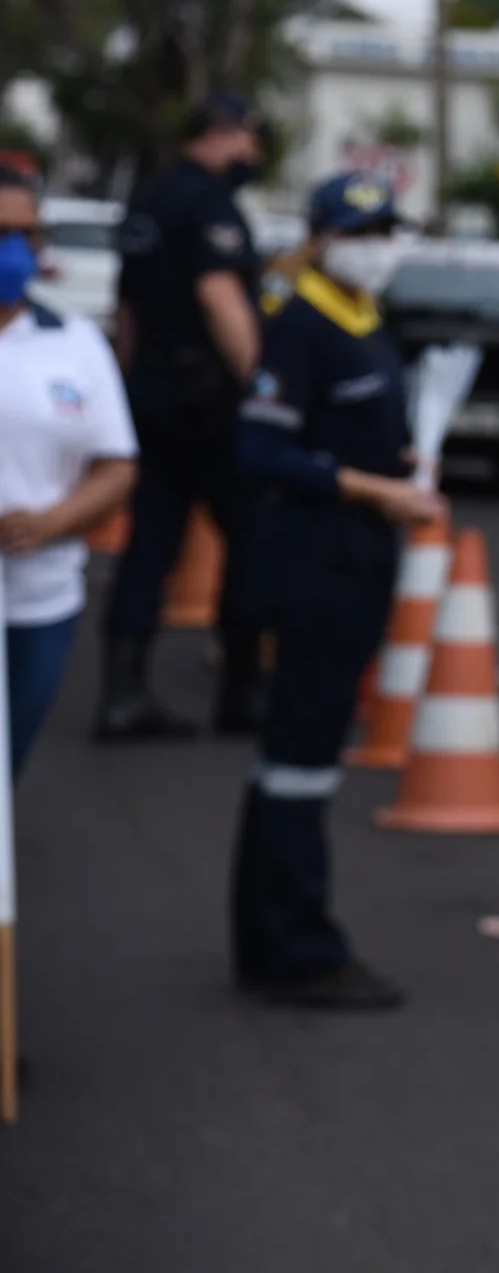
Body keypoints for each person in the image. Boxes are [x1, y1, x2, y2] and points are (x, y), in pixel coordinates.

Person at [230, 174, 444, 1011]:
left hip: (359, 557)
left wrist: (405, 478)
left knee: (307, 754)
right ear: (320, 237)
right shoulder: (301, 328)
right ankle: (295, 942)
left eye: (389, 227)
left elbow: (367, 435)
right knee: (299, 759)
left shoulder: (367, 323)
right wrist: (368, 488)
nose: (379, 243)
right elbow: (263, 450)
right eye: (363, 229)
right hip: (315, 560)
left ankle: (272, 933)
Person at [95, 93, 271, 740]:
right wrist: (264, 386)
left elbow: (129, 313)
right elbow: (220, 295)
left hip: (150, 393)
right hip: (210, 402)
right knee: (251, 534)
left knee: (150, 543)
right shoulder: (209, 203)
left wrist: (125, 386)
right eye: (249, 141)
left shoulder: (148, 200)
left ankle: (123, 693)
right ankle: (243, 692)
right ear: (224, 135)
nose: (253, 155)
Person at [0, 168, 138, 781]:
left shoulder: (76, 343)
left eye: (24, 234)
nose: (12, 250)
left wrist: (52, 523)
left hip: (39, 599)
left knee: (10, 767)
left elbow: (115, 465)